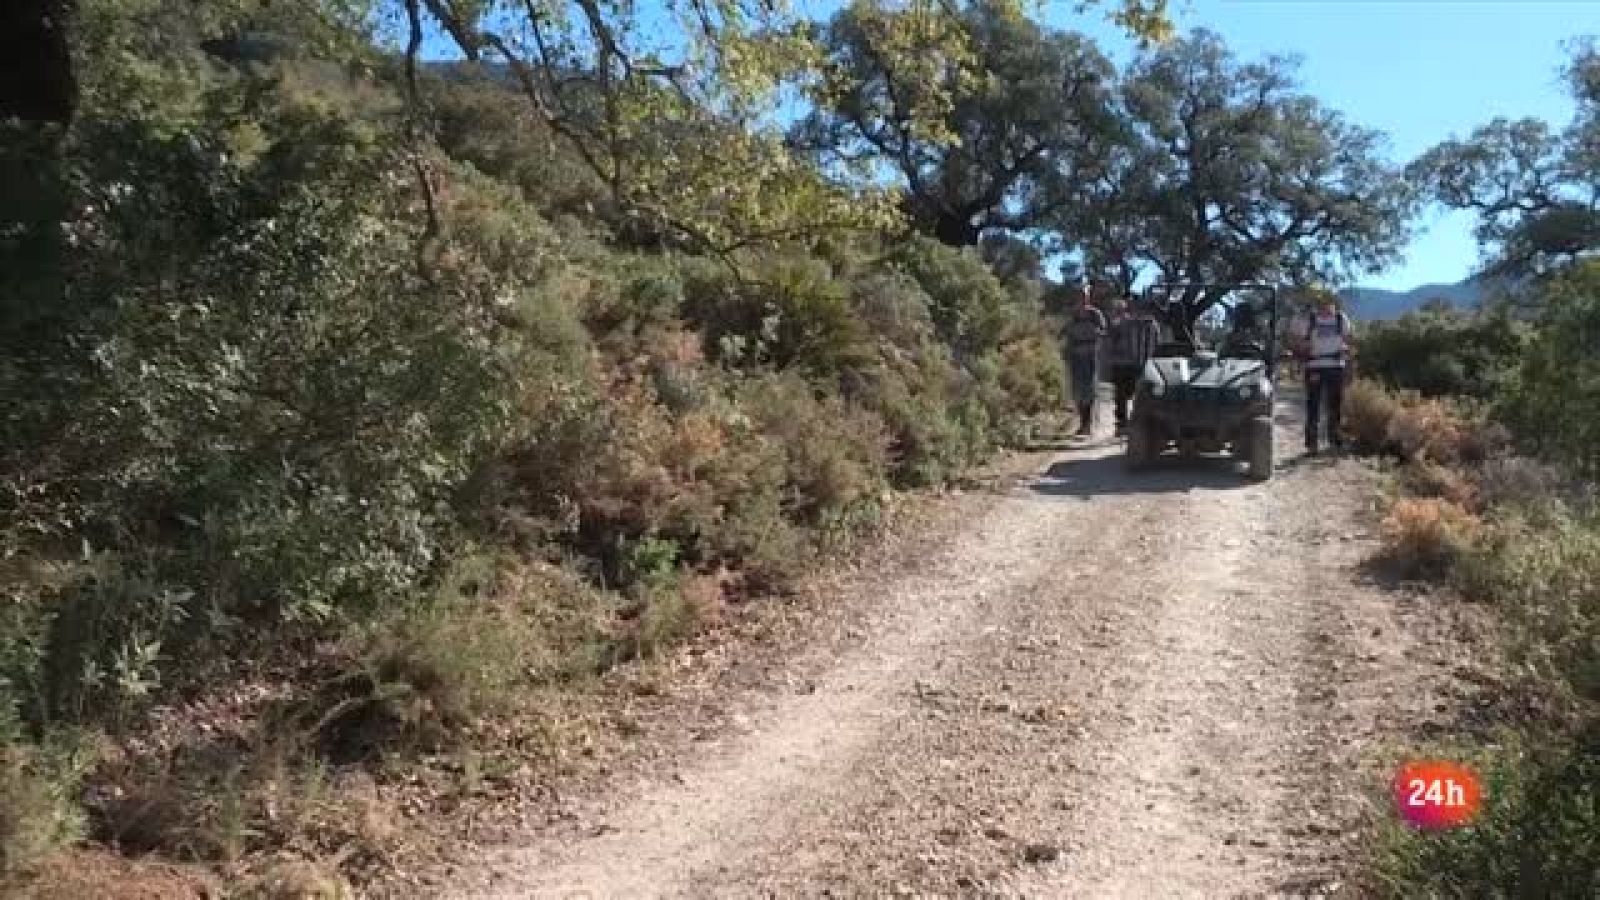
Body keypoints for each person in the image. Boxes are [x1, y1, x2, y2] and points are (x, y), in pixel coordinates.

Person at [1297, 291, 1354, 455]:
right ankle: (1312, 444)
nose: (1325, 306)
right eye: (1321, 302)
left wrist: (1347, 356)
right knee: (1313, 405)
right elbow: (1300, 342)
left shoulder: (1341, 319)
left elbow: (1348, 340)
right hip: (1315, 366)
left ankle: (1335, 440)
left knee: (1336, 405)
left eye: (1328, 302)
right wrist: (1304, 351)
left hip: (1336, 366)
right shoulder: (1309, 320)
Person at [1107, 295, 1161, 435]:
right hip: (1129, 365)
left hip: (1146, 366)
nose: (1139, 311)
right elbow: (1113, 332)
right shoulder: (1128, 324)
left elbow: (1156, 346)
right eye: (1137, 308)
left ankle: (1140, 424)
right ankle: (1122, 423)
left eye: (1142, 308)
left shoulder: (1153, 326)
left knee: (1142, 396)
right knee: (1122, 394)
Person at [1064, 280, 1107, 437]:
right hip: (1076, 355)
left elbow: (1103, 331)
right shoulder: (1073, 315)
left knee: (1089, 389)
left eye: (1085, 296)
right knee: (1078, 390)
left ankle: (1088, 424)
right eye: (1080, 296)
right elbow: (1067, 334)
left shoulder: (1095, 314)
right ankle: (1082, 423)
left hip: (1090, 354)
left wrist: (1093, 333)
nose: (1082, 299)